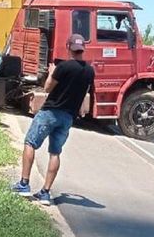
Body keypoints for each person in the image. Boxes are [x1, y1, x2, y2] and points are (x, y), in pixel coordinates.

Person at [12, 34, 95, 205]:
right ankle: (45, 193)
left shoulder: (63, 67)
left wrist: (51, 73)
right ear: (83, 48)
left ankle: (24, 184)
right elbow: (84, 92)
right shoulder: (89, 71)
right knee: (55, 153)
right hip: (68, 117)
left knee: (30, 143)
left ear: (68, 47)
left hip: (50, 112)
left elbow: (47, 87)